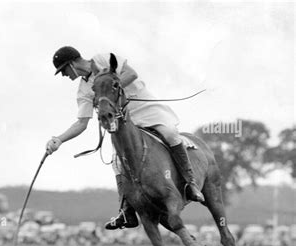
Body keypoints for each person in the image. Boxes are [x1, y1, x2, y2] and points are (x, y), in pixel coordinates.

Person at [46, 46, 205, 230]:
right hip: (124, 122)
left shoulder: (103, 59)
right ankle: (126, 210)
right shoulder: (83, 90)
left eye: (64, 70)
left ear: (72, 63)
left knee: (170, 134)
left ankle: (190, 184)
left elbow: (132, 73)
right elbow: (81, 123)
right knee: (117, 161)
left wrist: (108, 89)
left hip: (145, 110)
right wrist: (59, 139)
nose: (65, 75)